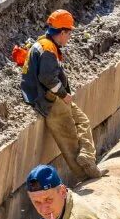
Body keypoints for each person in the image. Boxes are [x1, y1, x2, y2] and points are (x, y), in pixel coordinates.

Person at [21, 10, 108, 180]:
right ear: (62, 32)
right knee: (68, 139)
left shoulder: (45, 44)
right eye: (68, 33)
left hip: (50, 95)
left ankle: (87, 157)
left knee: (82, 120)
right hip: (46, 99)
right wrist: (63, 94)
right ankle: (85, 175)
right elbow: (46, 78)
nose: (69, 37)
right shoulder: (48, 49)